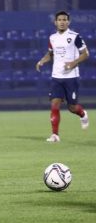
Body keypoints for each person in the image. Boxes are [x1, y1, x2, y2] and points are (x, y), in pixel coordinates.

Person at [36, 10, 89, 143]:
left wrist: (73, 63)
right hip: (57, 77)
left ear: (68, 22)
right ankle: (55, 135)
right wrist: (42, 61)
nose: (62, 22)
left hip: (71, 77)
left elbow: (85, 53)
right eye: (60, 20)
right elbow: (50, 54)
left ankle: (82, 114)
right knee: (54, 104)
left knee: (72, 108)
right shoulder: (52, 38)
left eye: (65, 20)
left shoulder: (75, 36)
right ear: (55, 22)